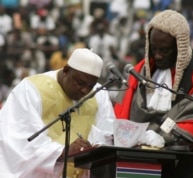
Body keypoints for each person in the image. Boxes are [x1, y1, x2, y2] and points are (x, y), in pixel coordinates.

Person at [114, 10, 193, 178]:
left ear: (180, 46)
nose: (157, 55)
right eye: (153, 48)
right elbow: (122, 111)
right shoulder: (139, 71)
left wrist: (164, 136)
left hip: (184, 164)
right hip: (139, 162)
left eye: (164, 50)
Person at [0, 48, 116, 178]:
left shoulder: (98, 93)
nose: (85, 90)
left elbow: (107, 134)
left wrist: (94, 147)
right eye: (80, 83)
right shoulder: (31, 89)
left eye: (91, 85)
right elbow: (20, 139)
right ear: (66, 70)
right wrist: (62, 152)